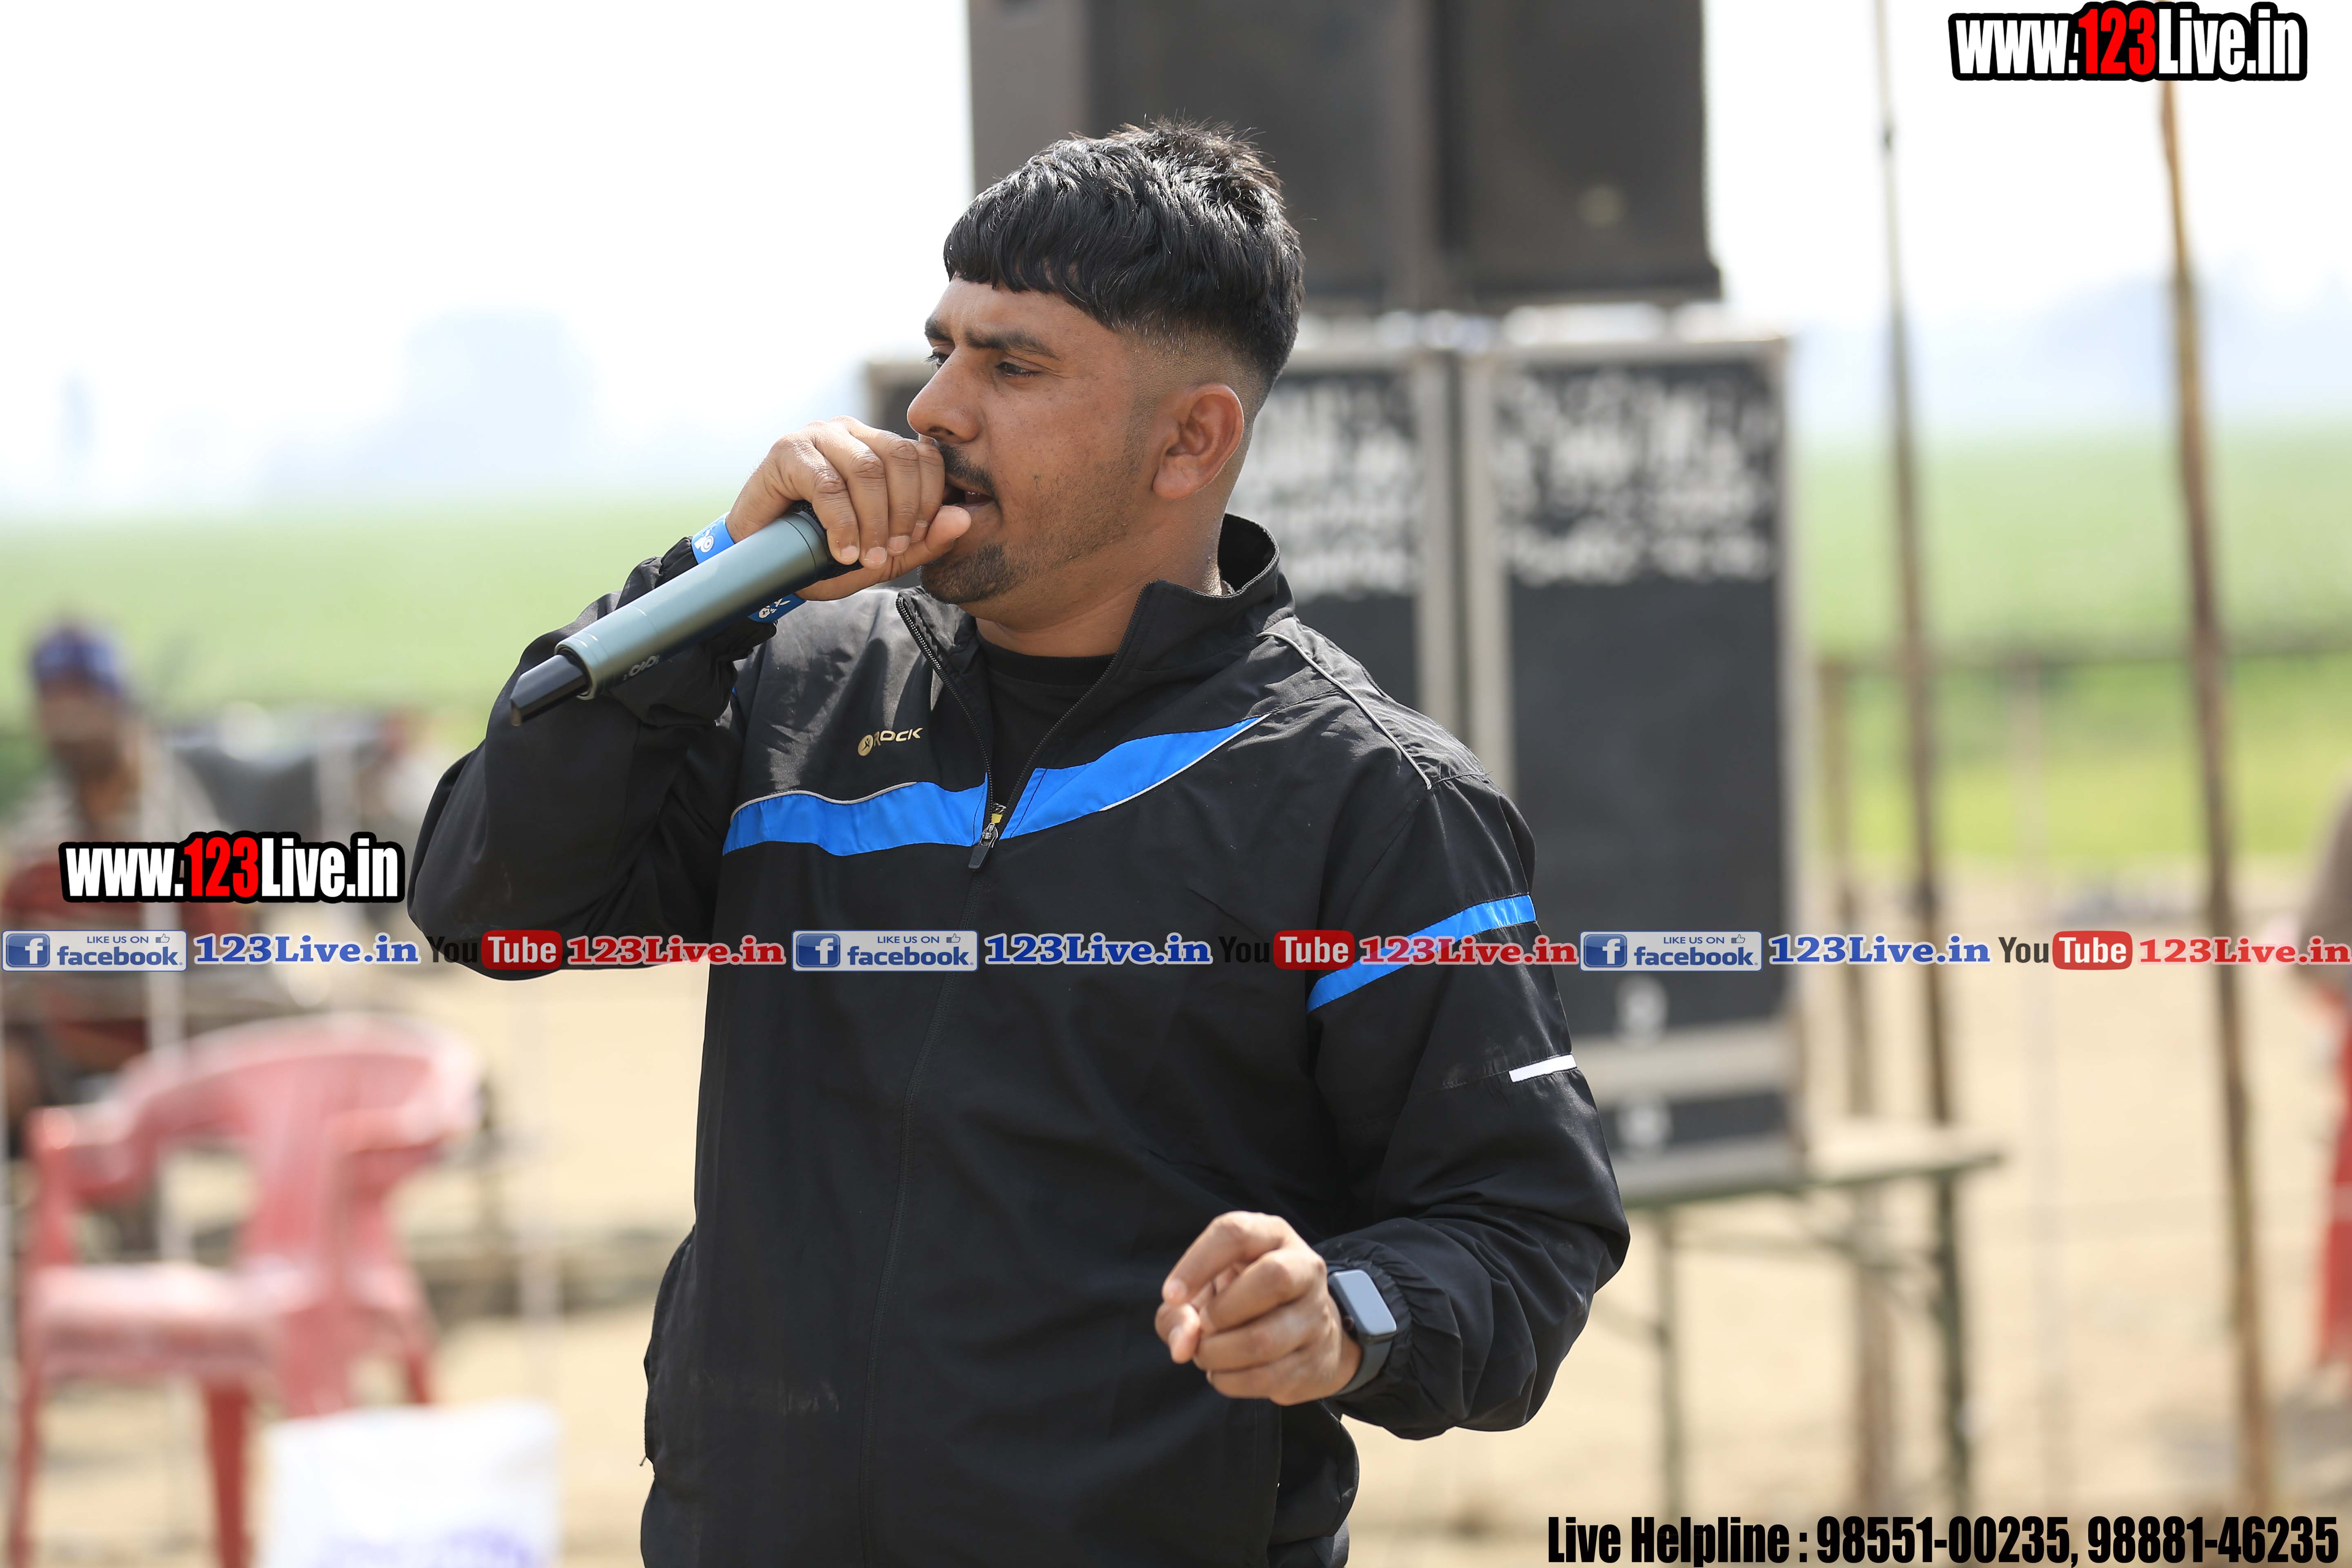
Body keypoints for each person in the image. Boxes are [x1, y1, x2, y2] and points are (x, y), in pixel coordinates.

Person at [410, 122, 1626, 1566]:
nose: (935, 409)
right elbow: (484, 901)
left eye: (1014, 366)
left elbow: (1523, 1225)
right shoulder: (791, 689)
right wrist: (706, 592)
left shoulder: (1372, 798)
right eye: (944, 349)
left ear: (1191, 440)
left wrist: (1348, 1311)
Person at [1, 623, 293, 1146]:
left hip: (172, 1056)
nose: (71, 726)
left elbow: (223, 960)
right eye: (57, 708)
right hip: (56, 1059)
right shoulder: (38, 835)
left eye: (83, 705)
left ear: (117, 707)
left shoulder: (176, 824)